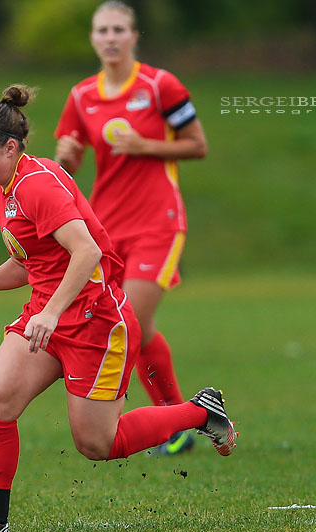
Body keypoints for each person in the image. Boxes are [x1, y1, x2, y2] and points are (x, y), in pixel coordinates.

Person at [0, 85, 235, 532]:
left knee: (98, 444)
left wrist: (52, 313)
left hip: (96, 322)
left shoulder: (37, 184)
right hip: (47, 316)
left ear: (10, 148)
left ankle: (199, 413)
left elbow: (87, 252)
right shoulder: (4, 192)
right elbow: (29, 264)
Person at [54, 1, 209, 456]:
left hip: (159, 222)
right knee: (137, 326)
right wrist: (66, 158)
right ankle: (177, 417)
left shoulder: (160, 86)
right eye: (102, 30)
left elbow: (197, 145)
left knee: (132, 322)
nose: (110, 38)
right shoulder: (82, 95)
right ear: (93, 38)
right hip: (105, 226)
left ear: (134, 36)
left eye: (119, 29)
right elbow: (68, 164)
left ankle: (172, 423)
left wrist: (146, 145)